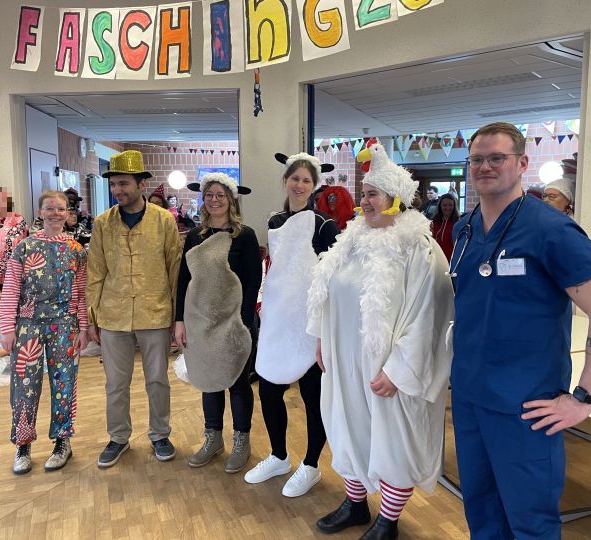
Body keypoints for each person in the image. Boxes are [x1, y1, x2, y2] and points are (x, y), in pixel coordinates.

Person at [450, 122, 591, 539]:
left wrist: (584, 398)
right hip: (471, 397)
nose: (485, 166)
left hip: (526, 406)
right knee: (481, 511)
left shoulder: (551, 230)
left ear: (522, 163)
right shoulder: (465, 229)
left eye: (497, 158)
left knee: (530, 522)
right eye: (477, 159)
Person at [308, 143, 454, 539]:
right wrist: (321, 338)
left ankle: (388, 520)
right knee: (348, 429)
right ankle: (355, 504)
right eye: (364, 193)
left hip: (387, 369)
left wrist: (399, 369)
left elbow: (430, 314)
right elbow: (326, 293)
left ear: (396, 199)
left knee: (394, 442)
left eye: (374, 194)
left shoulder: (418, 248)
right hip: (344, 361)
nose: (365, 201)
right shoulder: (350, 241)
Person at [244, 152, 339, 498]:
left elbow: (333, 276)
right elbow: (276, 268)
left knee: (313, 397)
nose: (299, 185)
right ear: (285, 181)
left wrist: (324, 324)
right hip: (278, 318)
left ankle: (311, 464)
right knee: (269, 391)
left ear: (314, 186)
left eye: (306, 180)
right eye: (295, 178)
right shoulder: (274, 221)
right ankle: (279, 456)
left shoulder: (324, 225)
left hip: (309, 322)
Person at [86, 150, 181, 469]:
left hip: (155, 311)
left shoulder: (163, 220)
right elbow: (96, 271)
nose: (117, 190)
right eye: (113, 184)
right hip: (113, 313)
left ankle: (160, 434)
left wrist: (176, 315)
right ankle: (118, 437)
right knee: (115, 383)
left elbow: (174, 268)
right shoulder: (103, 223)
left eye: (123, 184)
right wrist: (92, 317)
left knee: (157, 379)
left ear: (141, 184)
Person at [174, 173, 262, 474]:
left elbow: (253, 280)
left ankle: (241, 440)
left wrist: (243, 320)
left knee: (237, 382)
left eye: (220, 195)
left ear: (231, 199)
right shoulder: (194, 236)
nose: (214, 200)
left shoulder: (244, 235)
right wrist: (180, 320)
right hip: (201, 322)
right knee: (208, 380)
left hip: (234, 322)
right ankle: (212, 438)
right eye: (209, 195)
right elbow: (184, 280)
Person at [0, 190, 88, 475]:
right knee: (24, 385)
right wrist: (7, 327)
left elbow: (81, 293)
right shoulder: (24, 247)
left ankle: (62, 442)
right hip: (28, 325)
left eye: (61, 209)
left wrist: (83, 327)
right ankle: (23, 445)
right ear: (40, 212)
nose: (55, 213)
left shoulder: (76, 250)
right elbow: (11, 288)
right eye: (49, 208)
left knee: (64, 383)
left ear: (68, 213)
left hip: (64, 325)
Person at [431, 193, 460, 262]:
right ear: (440, 206)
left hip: (452, 259)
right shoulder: (433, 222)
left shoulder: (459, 222)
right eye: (444, 205)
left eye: (450, 205)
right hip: (436, 258)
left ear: (454, 206)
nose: (447, 208)